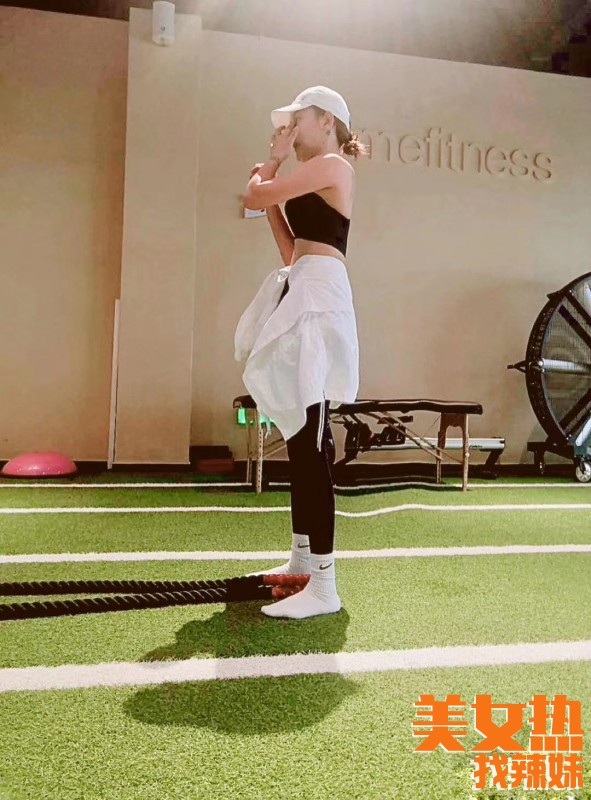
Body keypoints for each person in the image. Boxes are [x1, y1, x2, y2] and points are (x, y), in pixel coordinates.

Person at [234, 86, 369, 619]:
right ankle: (301, 563)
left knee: (312, 442)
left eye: (298, 119)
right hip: (304, 286)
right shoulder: (314, 173)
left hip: (320, 298)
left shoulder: (333, 165)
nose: (289, 129)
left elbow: (252, 196)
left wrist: (270, 164)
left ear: (327, 121)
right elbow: (292, 250)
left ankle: (325, 586)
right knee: (298, 434)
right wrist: (270, 194)